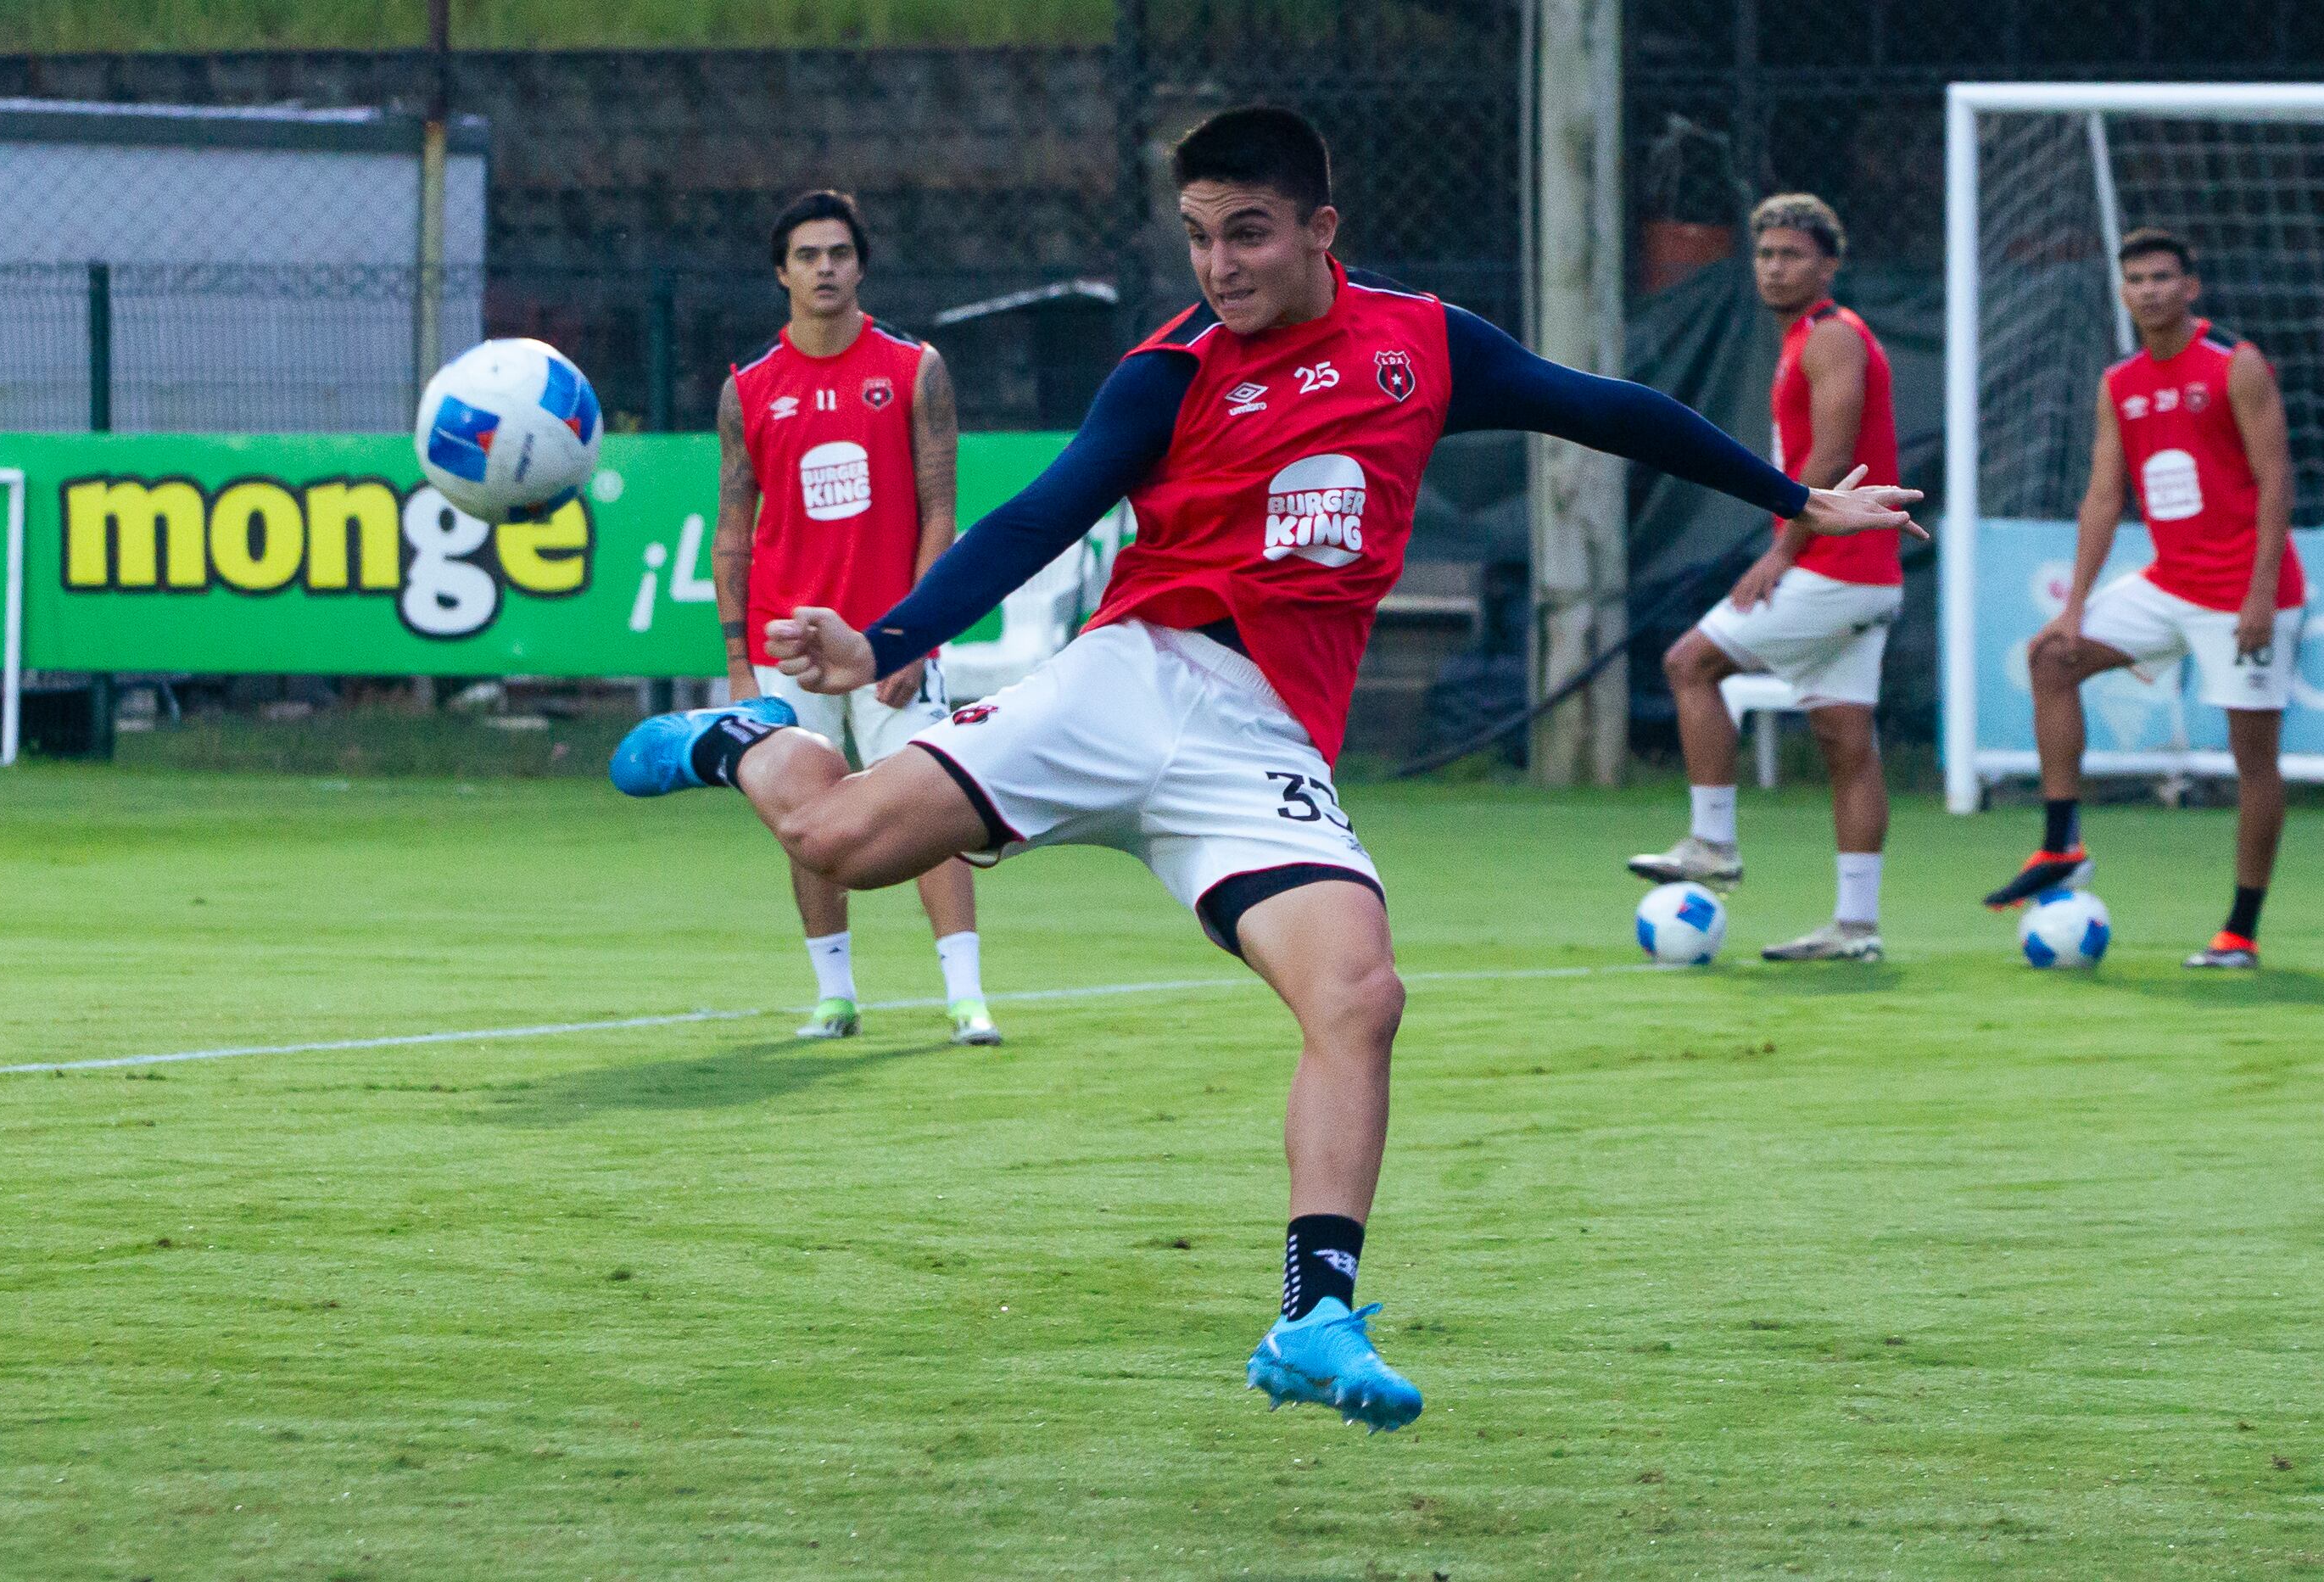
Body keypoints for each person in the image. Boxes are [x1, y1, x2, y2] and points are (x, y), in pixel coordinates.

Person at [612, 109, 1920, 1429]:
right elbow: (1041, 510)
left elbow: (1602, 409)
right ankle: (730, 739)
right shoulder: (1167, 372)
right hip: (1127, 680)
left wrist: (1794, 500)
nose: (1218, 265)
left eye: (1245, 233)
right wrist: (886, 639)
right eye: (1195, 237)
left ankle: (1313, 1315)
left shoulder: (1421, 345)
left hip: (1259, 744)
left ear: (1317, 231)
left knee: (1359, 993)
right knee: (831, 840)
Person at [712, 189, 999, 1043]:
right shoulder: (748, 389)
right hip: (785, 647)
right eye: (806, 255)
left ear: (860, 264)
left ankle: (966, 996)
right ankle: (833, 995)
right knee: (808, 824)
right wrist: (737, 667)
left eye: (837, 252)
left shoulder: (914, 370)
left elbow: (939, 511)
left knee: (931, 807)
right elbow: (733, 533)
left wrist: (916, 633)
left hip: (886, 642)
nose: (824, 267)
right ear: (780, 273)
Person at [1983, 226, 2305, 969]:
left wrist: (2260, 597)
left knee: (2252, 758)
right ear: (2122, 292)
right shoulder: (2119, 382)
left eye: (2164, 277)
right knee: (2051, 657)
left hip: (2247, 594)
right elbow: (2103, 495)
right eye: (2137, 279)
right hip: (2171, 581)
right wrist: (2075, 606)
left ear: (2190, 288)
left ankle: (2239, 931)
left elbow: (2276, 479)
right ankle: (2062, 844)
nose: (2150, 290)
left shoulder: (2236, 364)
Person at [1628, 194, 1906, 963]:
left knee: (1691, 662)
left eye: (1791, 255)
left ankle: (1713, 841)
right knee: (1846, 739)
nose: (1774, 268)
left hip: (1837, 566)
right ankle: (1856, 928)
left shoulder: (1831, 337)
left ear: (1829, 264)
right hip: (1858, 572)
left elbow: (1831, 454)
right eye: (1764, 255)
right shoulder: (1800, 340)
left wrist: (1782, 550)